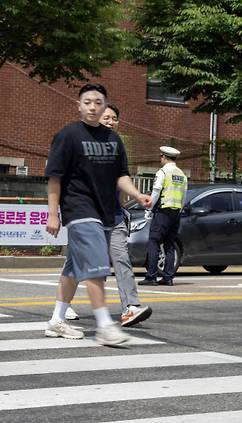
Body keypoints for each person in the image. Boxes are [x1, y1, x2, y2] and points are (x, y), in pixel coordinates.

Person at [44, 83, 152, 346]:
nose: (93, 106)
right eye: (88, 102)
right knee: (96, 265)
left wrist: (137, 195)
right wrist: (53, 214)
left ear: (105, 105)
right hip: (79, 209)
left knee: (73, 267)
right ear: (79, 105)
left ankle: (57, 320)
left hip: (105, 211)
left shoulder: (113, 139)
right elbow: (54, 178)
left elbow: (121, 175)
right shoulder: (67, 136)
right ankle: (104, 324)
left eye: (98, 102)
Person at [100, 104, 152, 327]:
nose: (111, 122)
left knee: (122, 260)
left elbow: (122, 179)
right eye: (107, 118)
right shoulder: (81, 144)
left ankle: (131, 306)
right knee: (79, 264)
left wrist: (137, 197)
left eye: (115, 118)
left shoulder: (118, 146)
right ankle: (64, 305)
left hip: (114, 216)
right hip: (88, 216)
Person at [139, 146, 187, 286]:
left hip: (163, 212)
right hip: (176, 213)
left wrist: (149, 208)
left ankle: (151, 277)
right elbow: (183, 196)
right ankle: (168, 277)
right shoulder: (182, 175)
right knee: (169, 244)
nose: (160, 159)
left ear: (164, 157)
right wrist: (178, 209)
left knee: (154, 242)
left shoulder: (163, 172)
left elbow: (156, 192)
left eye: (161, 157)